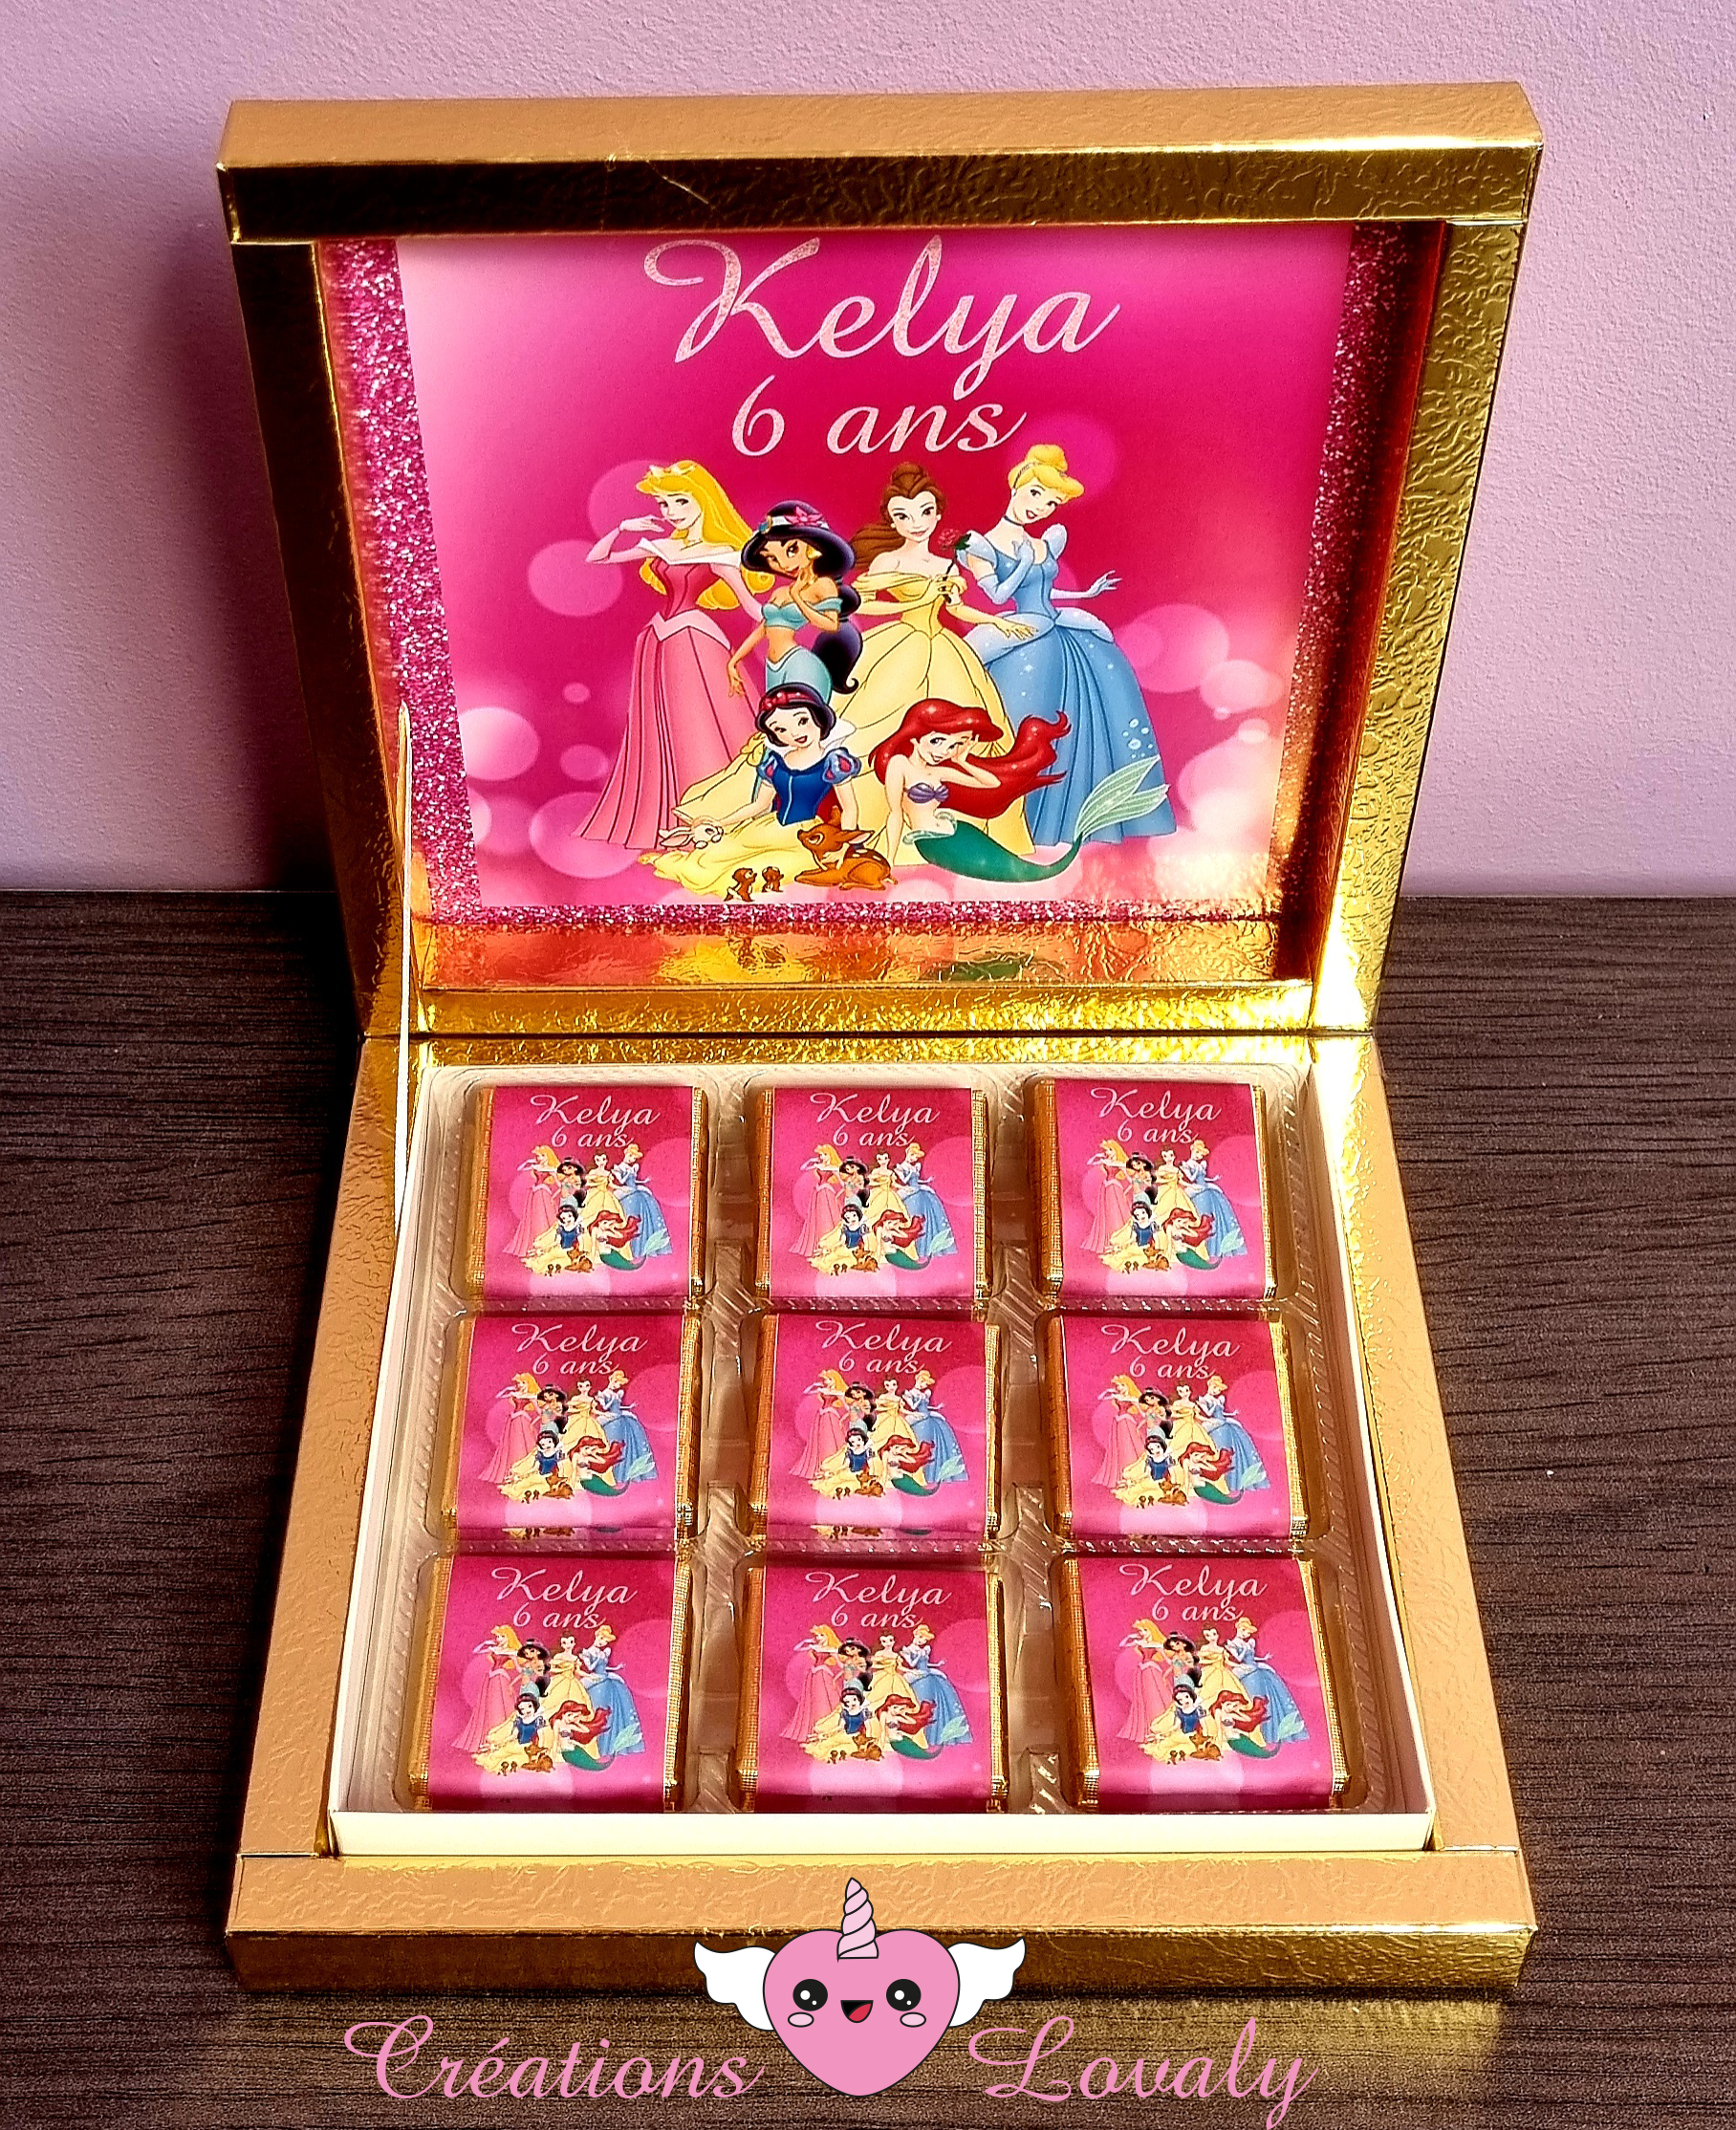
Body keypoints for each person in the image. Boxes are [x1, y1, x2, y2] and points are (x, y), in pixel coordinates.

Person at [961, 444, 1175, 848]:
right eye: (1035, 494)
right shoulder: (980, 545)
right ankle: (1019, 823)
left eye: (1051, 503)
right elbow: (997, 595)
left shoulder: (1044, 541)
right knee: (1027, 713)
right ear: (1016, 485)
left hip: (1055, 624)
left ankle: (1083, 815)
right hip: (1023, 631)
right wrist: (1023, 564)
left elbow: (1045, 589)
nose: (1040, 507)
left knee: (1106, 680)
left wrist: (1085, 594)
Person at [840, 461, 1036, 855]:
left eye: (925, 512)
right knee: (871, 723)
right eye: (903, 516)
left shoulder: (945, 564)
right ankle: (873, 827)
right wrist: (916, 601)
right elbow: (861, 604)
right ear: (892, 522)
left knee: (970, 728)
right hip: (900, 646)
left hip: (945, 649)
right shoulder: (888, 562)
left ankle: (962, 831)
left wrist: (996, 622)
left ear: (938, 514)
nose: (916, 523)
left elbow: (957, 608)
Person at [578, 460, 770, 847]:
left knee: (699, 724)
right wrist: (623, 528)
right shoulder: (661, 545)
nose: (671, 512)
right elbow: (596, 558)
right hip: (656, 640)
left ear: (703, 500)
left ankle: (713, 813)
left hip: (694, 639)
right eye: (665, 504)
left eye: (681, 501)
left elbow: (752, 607)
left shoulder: (720, 552)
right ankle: (667, 813)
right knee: (661, 726)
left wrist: (793, 612)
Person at [873, 698, 1167, 883]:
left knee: (1014, 868)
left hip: (957, 831)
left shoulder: (939, 771)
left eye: (952, 745)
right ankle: (1050, 870)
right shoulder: (900, 764)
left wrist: (963, 760)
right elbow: (895, 815)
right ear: (915, 737)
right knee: (1009, 871)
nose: (944, 751)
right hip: (933, 843)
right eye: (937, 741)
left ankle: (1056, 865)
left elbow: (990, 783)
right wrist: (888, 861)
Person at [648, 685, 865, 900]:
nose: (795, 733)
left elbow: (850, 808)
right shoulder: (775, 762)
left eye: (802, 721)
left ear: (818, 717)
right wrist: (721, 822)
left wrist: (844, 847)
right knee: (715, 854)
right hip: (769, 827)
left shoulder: (833, 762)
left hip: (805, 837)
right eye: (781, 729)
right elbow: (759, 805)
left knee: (753, 870)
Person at [1180, 1140, 1248, 1264]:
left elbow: (1203, 1178)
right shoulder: (1187, 1164)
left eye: (1201, 1154)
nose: (1198, 1156)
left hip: (1206, 1188)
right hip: (1197, 1191)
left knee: (1213, 1215)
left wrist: (1213, 1179)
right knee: (1202, 1217)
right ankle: (1204, 1249)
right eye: (1197, 1152)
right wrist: (1197, 1170)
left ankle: (1216, 1247)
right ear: (1192, 1149)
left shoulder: (1201, 1164)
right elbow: (1191, 1178)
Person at [610, 1142, 671, 1265]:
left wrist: (643, 1181)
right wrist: (628, 1173)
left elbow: (634, 1180)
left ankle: (644, 1245)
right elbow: (621, 1181)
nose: (631, 1159)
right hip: (627, 1192)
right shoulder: (619, 1168)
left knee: (647, 1205)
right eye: (630, 1156)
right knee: (630, 1216)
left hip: (635, 1190)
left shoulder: (632, 1167)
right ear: (626, 1153)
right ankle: (632, 1249)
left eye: (633, 1158)